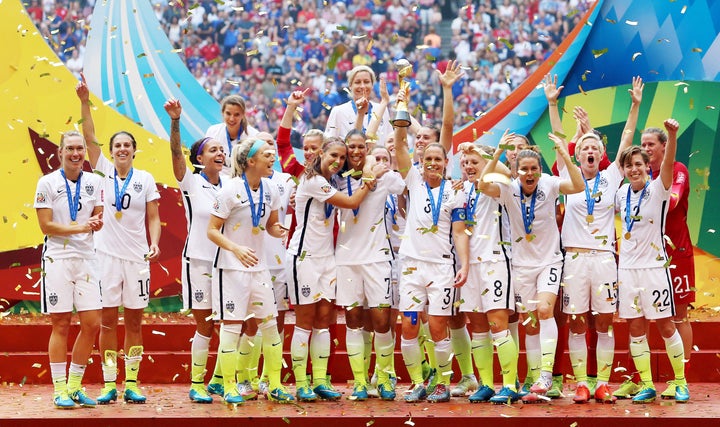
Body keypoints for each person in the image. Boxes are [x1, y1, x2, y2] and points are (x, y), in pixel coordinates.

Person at [549, 76, 644, 403]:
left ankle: (602, 382)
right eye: (584, 147)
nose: (589, 150)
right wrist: (551, 104)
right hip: (574, 258)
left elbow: (628, 138)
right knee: (576, 323)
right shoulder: (566, 175)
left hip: (604, 258)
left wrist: (634, 106)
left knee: (603, 323)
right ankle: (581, 383)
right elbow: (559, 139)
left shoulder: (610, 177)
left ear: (601, 154)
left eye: (595, 147)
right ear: (576, 155)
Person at [479, 132, 584, 403]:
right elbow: (482, 185)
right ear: (516, 171)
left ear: (539, 171)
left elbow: (578, 185)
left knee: (545, 310)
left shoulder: (549, 184)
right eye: (524, 169)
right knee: (532, 325)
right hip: (521, 265)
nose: (529, 173)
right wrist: (497, 153)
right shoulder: (508, 188)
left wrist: (564, 153)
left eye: (533, 169)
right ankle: (536, 380)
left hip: (549, 260)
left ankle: (546, 375)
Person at [77, 75, 161, 404]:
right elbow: (89, 137)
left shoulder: (145, 179)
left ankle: (134, 381)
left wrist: (154, 243)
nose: (122, 149)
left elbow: (153, 216)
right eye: (117, 146)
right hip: (106, 258)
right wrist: (85, 101)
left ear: (134, 151)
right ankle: (110, 381)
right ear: (111, 152)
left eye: (127, 145)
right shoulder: (102, 171)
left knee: (136, 321)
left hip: (138, 258)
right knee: (109, 322)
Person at [286, 137, 376, 402]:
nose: (338, 161)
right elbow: (350, 203)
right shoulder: (313, 180)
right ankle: (302, 382)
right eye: (333, 155)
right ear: (321, 153)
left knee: (324, 322)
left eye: (341, 157)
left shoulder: (333, 180)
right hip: (304, 258)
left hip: (328, 259)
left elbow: (365, 153)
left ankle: (321, 380)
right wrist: (370, 182)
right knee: (304, 323)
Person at [206, 138, 295, 404]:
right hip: (231, 269)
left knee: (269, 325)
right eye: (267, 154)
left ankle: (276, 384)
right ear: (250, 161)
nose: (273, 158)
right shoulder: (229, 190)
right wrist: (235, 248)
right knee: (232, 327)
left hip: (259, 268)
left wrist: (277, 231)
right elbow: (211, 230)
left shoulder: (271, 189)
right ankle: (230, 386)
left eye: (273, 154)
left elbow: (270, 224)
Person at [393, 120, 470, 403]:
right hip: (412, 266)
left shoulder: (455, 190)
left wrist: (464, 264)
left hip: (441, 268)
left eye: (438, 159)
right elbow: (399, 143)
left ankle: (442, 383)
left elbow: (460, 233)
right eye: (428, 159)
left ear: (446, 162)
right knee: (409, 326)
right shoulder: (412, 179)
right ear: (421, 161)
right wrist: (401, 106)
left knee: (438, 327)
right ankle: (417, 383)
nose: (433, 163)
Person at [614, 119, 688, 403]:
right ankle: (646, 384)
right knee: (634, 328)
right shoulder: (621, 193)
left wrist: (671, 136)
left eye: (638, 164)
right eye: (628, 165)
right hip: (628, 270)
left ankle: (680, 382)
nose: (633, 169)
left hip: (655, 269)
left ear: (648, 167)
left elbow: (668, 164)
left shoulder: (659, 188)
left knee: (665, 326)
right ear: (624, 170)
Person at [35, 130, 104, 408]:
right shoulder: (47, 182)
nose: (76, 154)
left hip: (87, 258)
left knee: (92, 324)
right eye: (70, 149)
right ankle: (59, 389)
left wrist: (96, 224)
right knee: (61, 323)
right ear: (60, 152)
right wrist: (80, 227)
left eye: (80, 149)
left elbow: (97, 216)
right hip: (58, 259)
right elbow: (46, 226)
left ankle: (75, 386)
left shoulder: (93, 182)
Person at [163, 99, 226, 403]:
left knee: (231, 322)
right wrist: (176, 121)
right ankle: (196, 382)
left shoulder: (232, 185)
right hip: (198, 262)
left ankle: (219, 379)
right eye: (213, 150)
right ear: (200, 158)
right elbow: (176, 153)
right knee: (206, 324)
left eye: (222, 150)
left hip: (226, 263)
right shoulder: (191, 182)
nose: (220, 153)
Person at [335, 129, 405, 401]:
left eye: (360, 146)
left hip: (378, 258)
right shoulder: (336, 180)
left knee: (381, 322)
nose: (355, 151)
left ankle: (385, 377)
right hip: (347, 259)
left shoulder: (385, 176)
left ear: (367, 149)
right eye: (350, 146)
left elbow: (408, 182)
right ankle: (360, 382)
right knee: (353, 322)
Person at [456, 141, 519, 404]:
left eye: (474, 162)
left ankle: (509, 385)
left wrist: (486, 152)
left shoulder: (500, 187)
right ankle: (486, 384)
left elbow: (503, 170)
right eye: (465, 163)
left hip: (495, 261)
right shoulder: (462, 192)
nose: (469, 167)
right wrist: (465, 264)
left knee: (498, 325)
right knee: (478, 327)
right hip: (472, 267)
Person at [640, 124, 696, 401]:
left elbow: (671, 203)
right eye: (644, 144)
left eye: (651, 144)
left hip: (677, 254)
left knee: (679, 315)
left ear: (664, 146)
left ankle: (680, 379)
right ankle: (642, 380)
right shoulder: (639, 173)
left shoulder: (678, 169)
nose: (647, 149)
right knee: (641, 318)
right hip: (648, 256)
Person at [324, 65, 393, 144]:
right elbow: (329, 145)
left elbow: (389, 141)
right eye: (357, 82)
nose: (363, 86)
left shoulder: (381, 109)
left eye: (366, 82)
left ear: (372, 85)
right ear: (350, 86)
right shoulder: (338, 111)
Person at [205, 94, 258, 172]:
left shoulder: (253, 136)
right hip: (216, 180)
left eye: (236, 115)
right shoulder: (213, 131)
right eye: (228, 113)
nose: (232, 119)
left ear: (243, 115)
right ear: (222, 112)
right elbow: (206, 159)